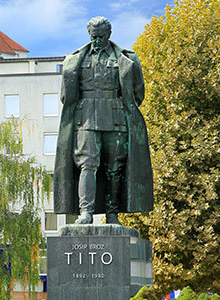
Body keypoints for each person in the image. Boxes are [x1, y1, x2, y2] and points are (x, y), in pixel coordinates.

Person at [53, 16, 154, 224]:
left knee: (114, 167)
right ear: (89, 35)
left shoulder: (126, 59)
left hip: (115, 117)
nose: (97, 40)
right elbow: (66, 96)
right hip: (85, 119)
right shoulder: (74, 60)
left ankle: (112, 213)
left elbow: (138, 93)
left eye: (101, 36)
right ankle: (85, 212)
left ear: (109, 34)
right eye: (94, 36)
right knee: (87, 165)